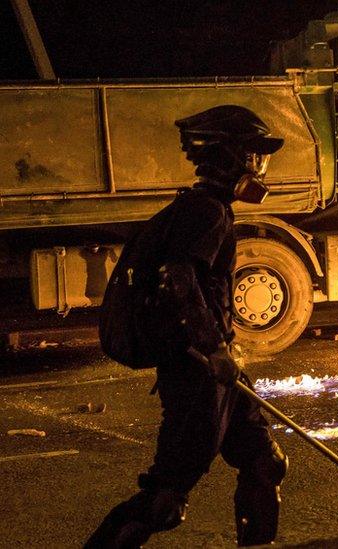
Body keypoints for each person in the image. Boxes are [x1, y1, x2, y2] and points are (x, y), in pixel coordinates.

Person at [86, 105, 288, 548]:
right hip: (196, 371)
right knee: (165, 500)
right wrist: (213, 348)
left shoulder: (203, 207)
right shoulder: (207, 212)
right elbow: (178, 277)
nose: (260, 165)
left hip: (216, 365)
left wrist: (223, 351)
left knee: (263, 463)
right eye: (253, 155)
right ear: (228, 157)